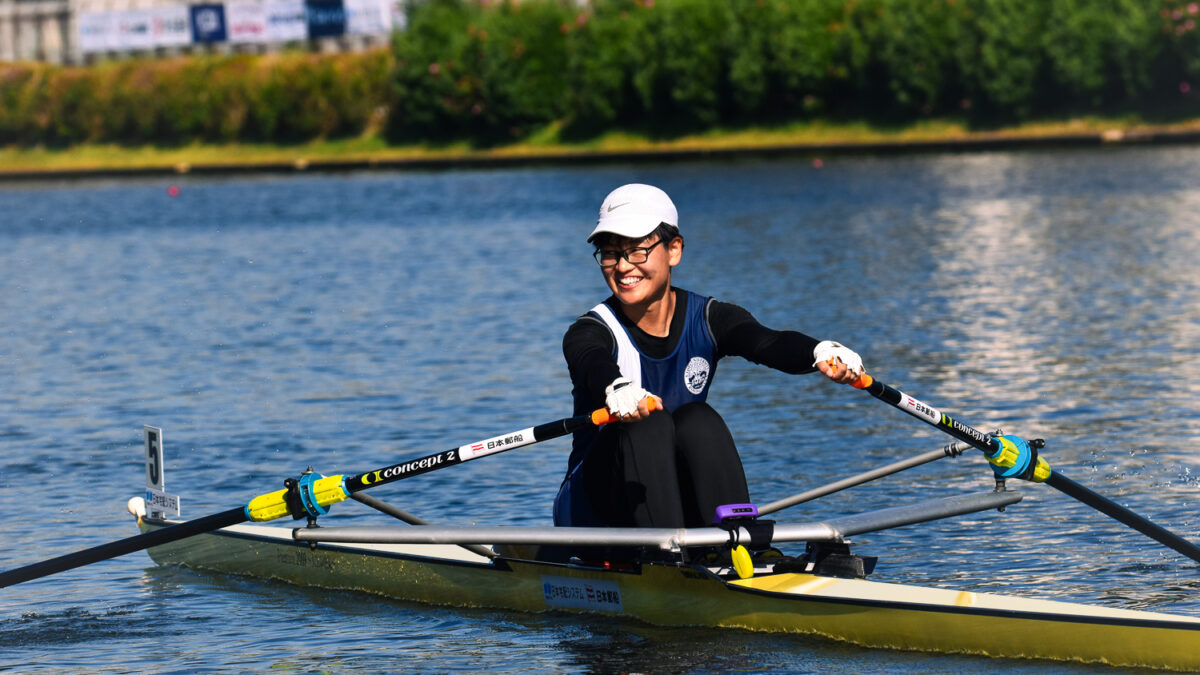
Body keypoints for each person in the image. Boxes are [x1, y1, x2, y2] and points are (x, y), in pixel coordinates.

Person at [553, 183, 865, 537]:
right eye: (610, 253)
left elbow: (768, 341)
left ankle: (738, 541)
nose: (624, 267)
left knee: (699, 419)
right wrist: (617, 386)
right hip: (594, 513)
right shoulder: (589, 331)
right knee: (648, 422)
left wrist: (819, 351)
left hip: (670, 504)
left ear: (674, 250)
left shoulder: (709, 317)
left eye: (637, 251)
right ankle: (668, 561)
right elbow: (592, 361)